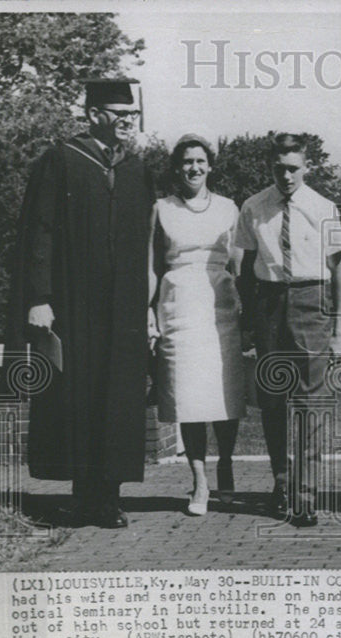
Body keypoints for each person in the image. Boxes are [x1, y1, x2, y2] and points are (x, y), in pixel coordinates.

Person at [1, 77, 155, 529]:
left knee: (118, 397)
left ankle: (109, 497)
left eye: (132, 116)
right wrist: (39, 297)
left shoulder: (137, 169)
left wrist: (146, 303)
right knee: (80, 396)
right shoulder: (62, 160)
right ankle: (86, 496)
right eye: (119, 114)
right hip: (74, 302)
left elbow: (148, 242)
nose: (129, 122)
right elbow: (39, 233)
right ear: (93, 115)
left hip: (124, 305)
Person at [235, 133, 341, 527]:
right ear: (270, 167)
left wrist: (340, 331)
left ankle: (306, 494)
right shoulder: (253, 207)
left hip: (310, 300)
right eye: (278, 169)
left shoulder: (324, 207)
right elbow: (244, 270)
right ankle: (282, 483)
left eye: (293, 168)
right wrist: (249, 326)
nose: (285, 176)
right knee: (273, 400)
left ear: (307, 166)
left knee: (311, 403)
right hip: (269, 304)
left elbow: (339, 273)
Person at [148, 134, 245, 516]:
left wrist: (244, 311)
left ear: (210, 165)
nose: (194, 168)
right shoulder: (161, 208)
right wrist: (147, 312)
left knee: (224, 393)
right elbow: (152, 268)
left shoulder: (228, 208)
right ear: (177, 166)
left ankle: (226, 463)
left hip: (220, 304)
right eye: (187, 161)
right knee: (188, 397)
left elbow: (238, 264)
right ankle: (200, 482)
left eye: (201, 161)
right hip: (178, 305)